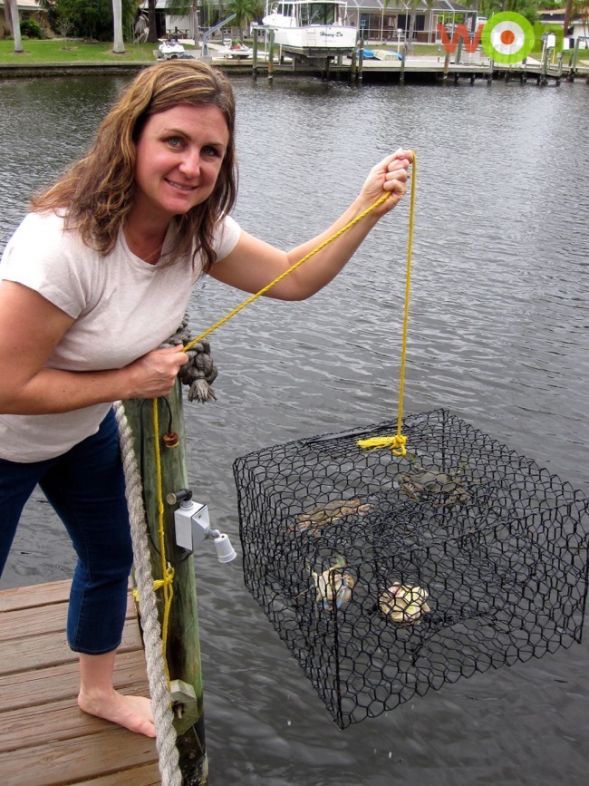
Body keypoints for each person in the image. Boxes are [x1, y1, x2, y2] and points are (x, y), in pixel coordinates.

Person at [0, 60, 412, 738]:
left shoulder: (196, 230)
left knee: (111, 559)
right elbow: (8, 385)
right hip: (8, 437)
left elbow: (290, 276)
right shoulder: (61, 245)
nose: (191, 165)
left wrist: (363, 206)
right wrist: (126, 384)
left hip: (76, 432)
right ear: (131, 138)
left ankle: (95, 692)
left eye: (210, 151)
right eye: (174, 142)